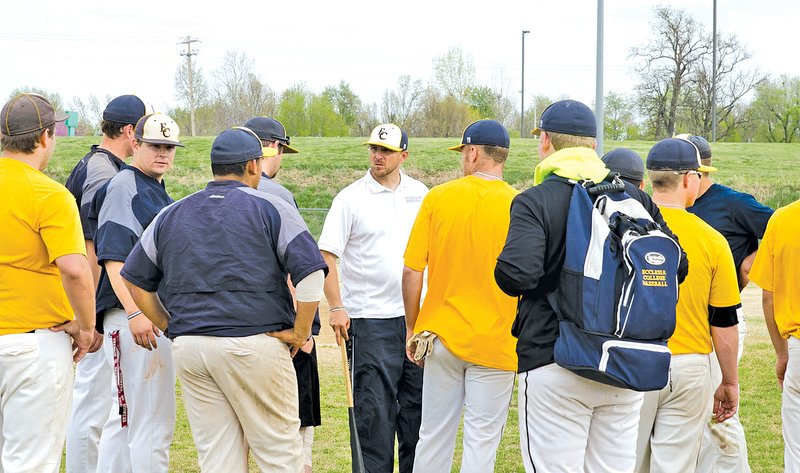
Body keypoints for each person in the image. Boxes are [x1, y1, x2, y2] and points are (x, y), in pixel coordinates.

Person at [120, 127, 327, 473]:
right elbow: (312, 275)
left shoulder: (174, 211)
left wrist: (170, 326)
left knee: (218, 460)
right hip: (253, 342)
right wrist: (300, 331)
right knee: (280, 457)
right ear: (252, 165)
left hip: (193, 347)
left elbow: (134, 278)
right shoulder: (270, 205)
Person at [494, 100, 685, 473]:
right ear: (593, 146)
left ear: (545, 141)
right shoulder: (634, 199)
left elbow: (517, 274)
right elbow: (679, 265)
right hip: (624, 359)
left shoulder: (535, 200)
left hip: (554, 357)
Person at [404, 119, 518, 473]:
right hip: (498, 341)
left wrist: (413, 328)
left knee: (434, 435)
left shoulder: (438, 197)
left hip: (443, 335)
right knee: (482, 441)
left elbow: (411, 272)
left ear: (473, 152)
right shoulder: (520, 204)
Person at [318, 123, 427, 473]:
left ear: (403, 156)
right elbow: (327, 255)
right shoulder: (350, 198)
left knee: (417, 416)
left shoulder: (421, 193)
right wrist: (336, 306)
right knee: (374, 418)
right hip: (368, 322)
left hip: (415, 320)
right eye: (374, 149)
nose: (378, 156)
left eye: (386, 151)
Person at [0, 93, 96, 472]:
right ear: (44, 137)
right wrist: (86, 327)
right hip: (32, 345)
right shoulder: (49, 193)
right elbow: (74, 269)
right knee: (29, 463)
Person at [635, 138, 741, 473]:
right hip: (688, 367)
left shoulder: (624, 227)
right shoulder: (711, 239)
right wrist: (729, 379)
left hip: (634, 358)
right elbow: (723, 321)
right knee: (675, 465)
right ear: (687, 178)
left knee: (626, 461)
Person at [92, 113, 182, 472]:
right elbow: (113, 258)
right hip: (133, 318)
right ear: (135, 143)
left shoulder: (154, 189)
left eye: (169, 147)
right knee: (150, 424)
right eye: (155, 145)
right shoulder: (125, 184)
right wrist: (134, 312)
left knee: (127, 420)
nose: (163, 153)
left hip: (147, 317)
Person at [64, 94, 147, 473]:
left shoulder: (99, 163)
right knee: (93, 401)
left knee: (101, 401)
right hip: (94, 301)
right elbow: (91, 245)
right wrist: (91, 316)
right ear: (131, 131)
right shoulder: (103, 171)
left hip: (91, 300)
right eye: (143, 129)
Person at [682, 134, 773, 473]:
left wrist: (752, 264)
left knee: (716, 414)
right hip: (681, 320)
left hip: (722, 318)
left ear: (698, 170)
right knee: (687, 413)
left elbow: (783, 230)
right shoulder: (672, 204)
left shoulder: (733, 203)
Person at [244, 116, 320, 473]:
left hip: (236, 323)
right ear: (270, 148)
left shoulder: (213, 193)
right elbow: (298, 265)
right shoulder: (276, 194)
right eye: (281, 150)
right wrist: (305, 329)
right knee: (294, 424)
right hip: (280, 323)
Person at [749, 196, 800, 472]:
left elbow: (768, 296)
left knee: (796, 448)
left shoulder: (782, 218)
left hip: (797, 346)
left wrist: (782, 353)